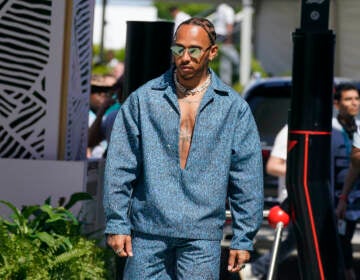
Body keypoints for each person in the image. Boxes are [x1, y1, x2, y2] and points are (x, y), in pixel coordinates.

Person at [103, 17, 263, 279]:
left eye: (194, 50)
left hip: (202, 238)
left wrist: (243, 238)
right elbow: (120, 164)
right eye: (178, 49)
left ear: (212, 52)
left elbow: (246, 176)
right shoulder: (144, 99)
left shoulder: (233, 108)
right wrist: (117, 221)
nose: (185, 57)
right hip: (147, 233)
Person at [240, 125, 297, 279]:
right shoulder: (288, 131)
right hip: (294, 197)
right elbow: (272, 166)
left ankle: (255, 270)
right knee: (296, 239)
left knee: (296, 240)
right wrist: (303, 172)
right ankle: (255, 270)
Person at [333, 83, 360, 280]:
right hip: (341, 193)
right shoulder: (331, 130)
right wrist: (342, 197)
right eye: (348, 99)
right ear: (337, 104)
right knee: (342, 240)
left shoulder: (358, 126)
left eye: (357, 99)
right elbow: (354, 165)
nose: (354, 103)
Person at [87, 74, 117, 158]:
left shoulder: (110, 114)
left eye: (105, 90)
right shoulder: (82, 116)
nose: (103, 94)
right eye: (97, 90)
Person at [213, 3, 240, 85]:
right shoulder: (229, 10)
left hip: (217, 35)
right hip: (224, 37)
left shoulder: (220, 7)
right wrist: (229, 41)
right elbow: (229, 26)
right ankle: (241, 72)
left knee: (225, 62)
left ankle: (225, 82)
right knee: (235, 60)